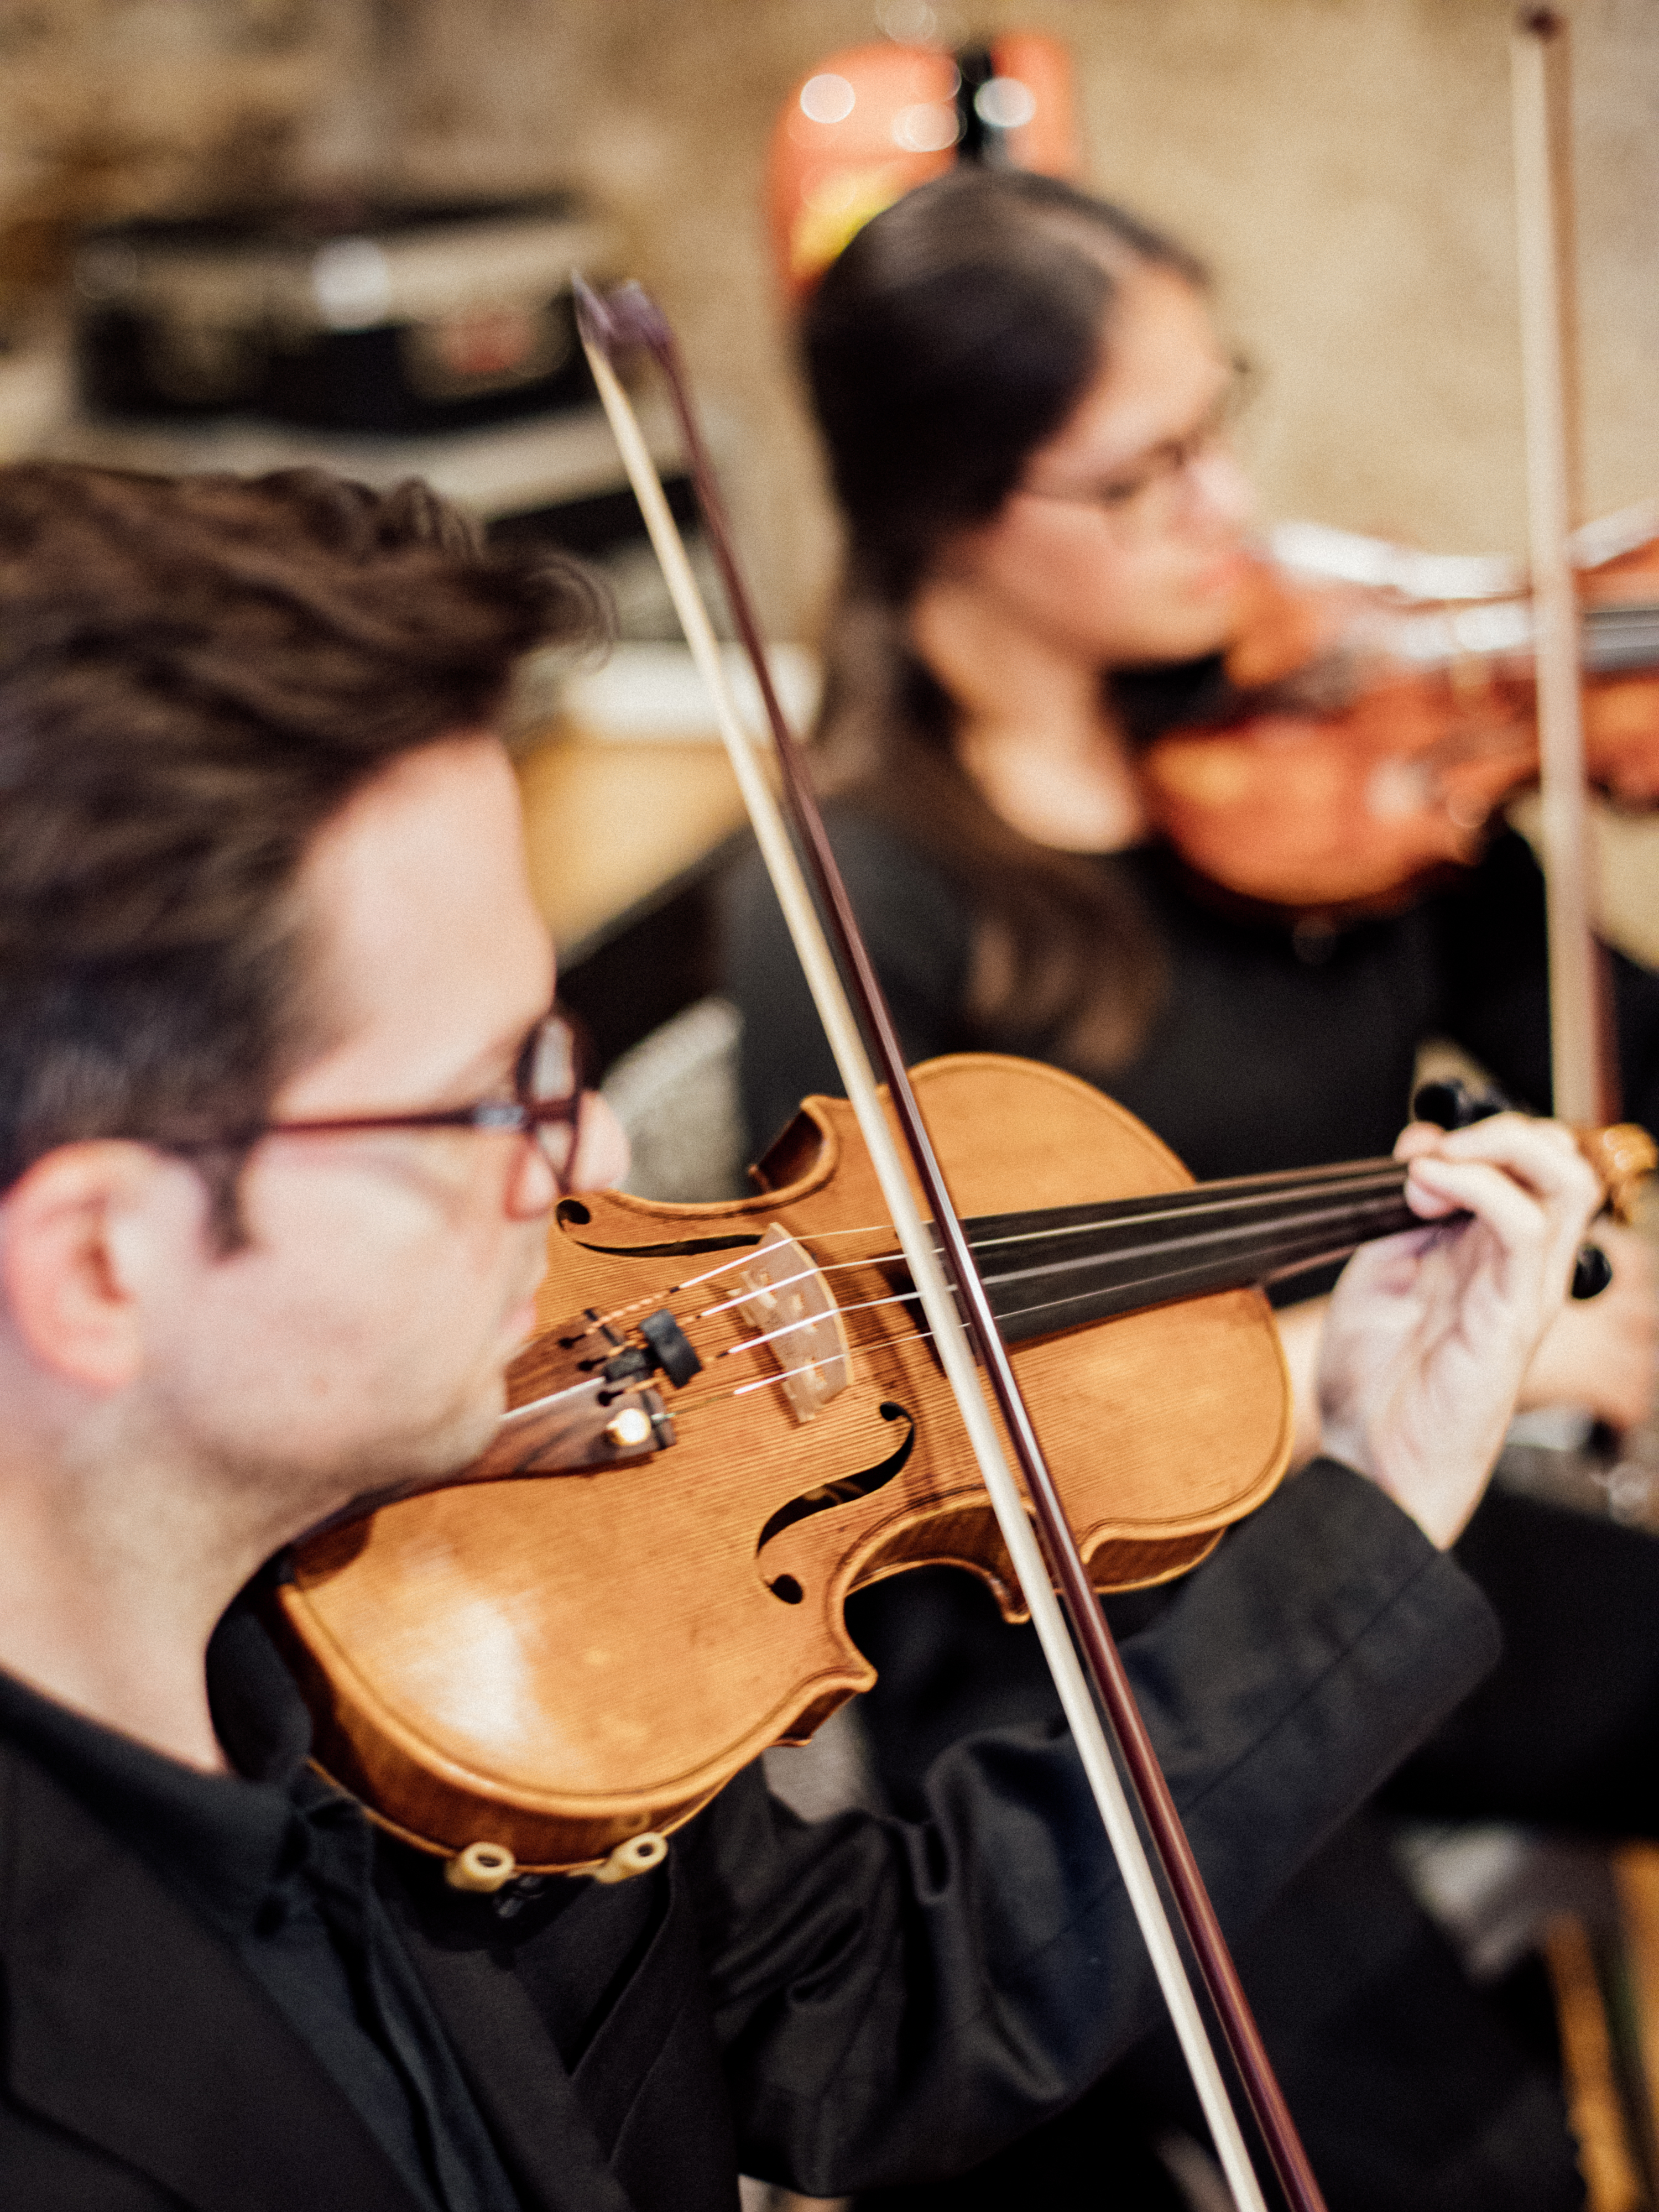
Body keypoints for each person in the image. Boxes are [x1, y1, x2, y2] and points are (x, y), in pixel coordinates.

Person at [0, 458, 1602, 2212]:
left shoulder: (461, 1601)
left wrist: (1382, 1473)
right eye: (492, 1100)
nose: (598, 1156)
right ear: (101, 1265)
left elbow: (848, 2020)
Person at [722, 168, 1659, 2208]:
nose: (1229, 513)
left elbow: (1617, 1041)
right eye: (1145, 477)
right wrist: (1459, 1343)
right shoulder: (864, 895)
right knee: (1462, 2169)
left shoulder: (1335, 763)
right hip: (1089, 1660)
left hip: (1390, 1524)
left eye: (1216, 425)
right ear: (954, 509)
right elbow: (900, 1419)